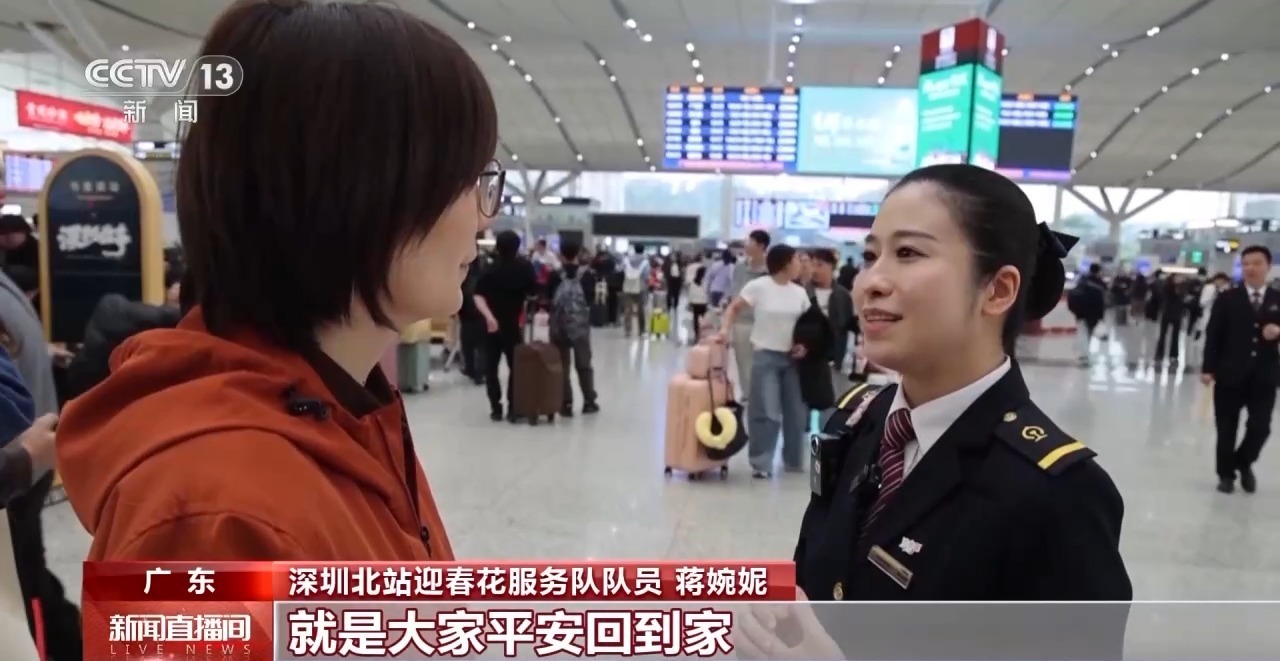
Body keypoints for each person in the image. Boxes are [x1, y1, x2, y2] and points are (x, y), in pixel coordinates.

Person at [55, 0, 500, 561]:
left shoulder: (347, 413)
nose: (485, 217)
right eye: (470, 179)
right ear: (359, 188)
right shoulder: (218, 515)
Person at [785, 165, 1130, 613]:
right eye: (871, 255)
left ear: (998, 290)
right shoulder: (855, 422)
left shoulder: (1059, 494)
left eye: (907, 253)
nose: (870, 282)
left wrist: (832, 650)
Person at [717, 244, 811, 479]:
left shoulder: (799, 293)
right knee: (766, 410)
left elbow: (809, 324)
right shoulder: (758, 286)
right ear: (785, 263)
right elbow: (734, 308)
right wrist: (725, 329)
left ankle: (793, 461)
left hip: (793, 360)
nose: (800, 265)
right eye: (796, 260)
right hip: (766, 355)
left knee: (796, 412)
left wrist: (805, 344)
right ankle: (761, 462)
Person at [1203, 245, 1280, 494]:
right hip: (1229, 373)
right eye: (1245, 264)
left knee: (1260, 427)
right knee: (1226, 428)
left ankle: (1243, 462)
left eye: (1256, 263)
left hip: (1265, 375)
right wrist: (1208, 368)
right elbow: (1214, 334)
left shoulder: (1277, 298)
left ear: (1268, 266)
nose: (1250, 268)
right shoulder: (1227, 298)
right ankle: (1225, 475)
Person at [475, 230, 538, 422]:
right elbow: (533, 293)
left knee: (491, 368)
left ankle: (496, 408)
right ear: (517, 247)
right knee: (515, 367)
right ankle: (513, 408)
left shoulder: (489, 268)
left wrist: (489, 317)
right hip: (513, 324)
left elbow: (478, 295)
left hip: (490, 326)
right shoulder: (524, 267)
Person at [545, 242, 599, 416]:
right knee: (584, 364)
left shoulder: (554, 275)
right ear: (578, 253)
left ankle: (565, 404)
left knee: (562, 366)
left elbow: (548, 297)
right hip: (580, 326)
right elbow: (590, 299)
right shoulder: (587, 275)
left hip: (558, 326)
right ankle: (589, 401)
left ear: (560, 254)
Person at [727, 230, 770, 395]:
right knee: (743, 362)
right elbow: (734, 291)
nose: (746, 245)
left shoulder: (770, 270)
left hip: (763, 323)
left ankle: (760, 396)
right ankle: (747, 396)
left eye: (750, 242)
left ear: (761, 246)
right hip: (742, 321)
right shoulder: (740, 267)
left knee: (762, 363)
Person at [806, 248, 854, 372]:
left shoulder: (843, 295)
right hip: (807, 358)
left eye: (819, 265)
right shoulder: (803, 292)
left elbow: (847, 325)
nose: (814, 270)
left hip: (835, 358)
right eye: (812, 265)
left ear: (831, 266)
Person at [1185, 271, 1229, 372]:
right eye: (1222, 281)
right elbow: (1202, 302)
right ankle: (1198, 359)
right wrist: (1214, 297)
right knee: (1203, 338)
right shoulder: (1210, 288)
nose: (1222, 283)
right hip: (1206, 316)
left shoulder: (1221, 289)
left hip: (1215, 317)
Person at [1067, 263, 1107, 366]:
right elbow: (1101, 301)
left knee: (1082, 333)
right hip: (1094, 313)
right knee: (1087, 333)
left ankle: (1083, 355)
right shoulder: (1100, 284)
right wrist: (1101, 316)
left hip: (1081, 312)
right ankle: (1084, 355)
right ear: (1098, 271)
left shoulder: (1082, 281)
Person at [1153, 272, 1185, 367]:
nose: (1179, 279)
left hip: (1177, 314)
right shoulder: (1167, 287)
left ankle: (1174, 355)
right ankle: (1159, 354)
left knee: (1176, 336)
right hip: (1167, 313)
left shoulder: (1182, 287)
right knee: (1162, 335)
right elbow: (1164, 297)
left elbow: (1182, 299)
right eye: (1177, 277)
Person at [619, 245, 650, 338]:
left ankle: (628, 331)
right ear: (643, 250)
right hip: (640, 287)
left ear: (634, 250)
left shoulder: (626, 260)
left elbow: (620, 269)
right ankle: (642, 331)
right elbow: (646, 275)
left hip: (628, 287)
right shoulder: (645, 262)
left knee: (628, 309)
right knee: (641, 309)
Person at [685, 254, 710, 342]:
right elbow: (707, 292)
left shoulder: (693, 283)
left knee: (695, 319)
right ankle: (704, 334)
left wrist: (689, 303)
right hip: (703, 303)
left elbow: (690, 294)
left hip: (695, 303)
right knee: (704, 319)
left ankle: (696, 335)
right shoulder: (706, 282)